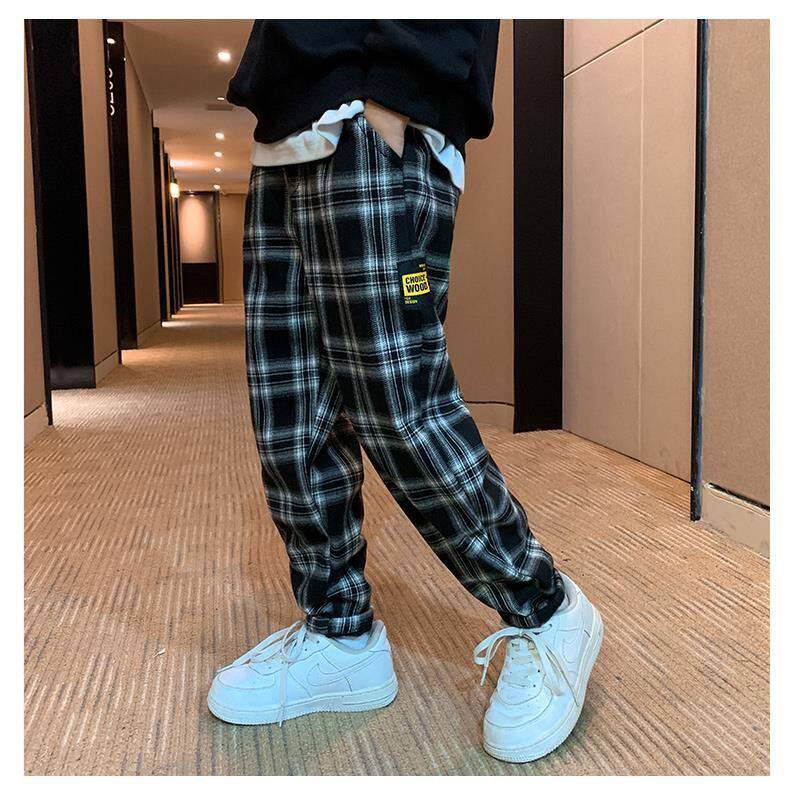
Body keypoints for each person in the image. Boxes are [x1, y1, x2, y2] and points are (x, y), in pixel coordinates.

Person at [207, 20, 603, 764]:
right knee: (291, 412)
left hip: (376, 99)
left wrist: (392, 90)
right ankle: (340, 632)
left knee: (400, 404)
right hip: (286, 121)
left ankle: (545, 606)